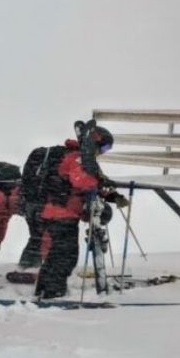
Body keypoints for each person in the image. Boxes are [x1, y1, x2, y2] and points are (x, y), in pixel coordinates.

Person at [34, 125, 127, 299]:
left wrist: (113, 196)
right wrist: (99, 184)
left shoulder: (84, 160)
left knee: (58, 253)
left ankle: (44, 289)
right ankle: (53, 292)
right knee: (66, 255)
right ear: (96, 143)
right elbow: (82, 181)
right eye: (105, 147)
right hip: (61, 213)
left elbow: (94, 183)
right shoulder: (77, 158)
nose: (104, 152)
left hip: (59, 213)